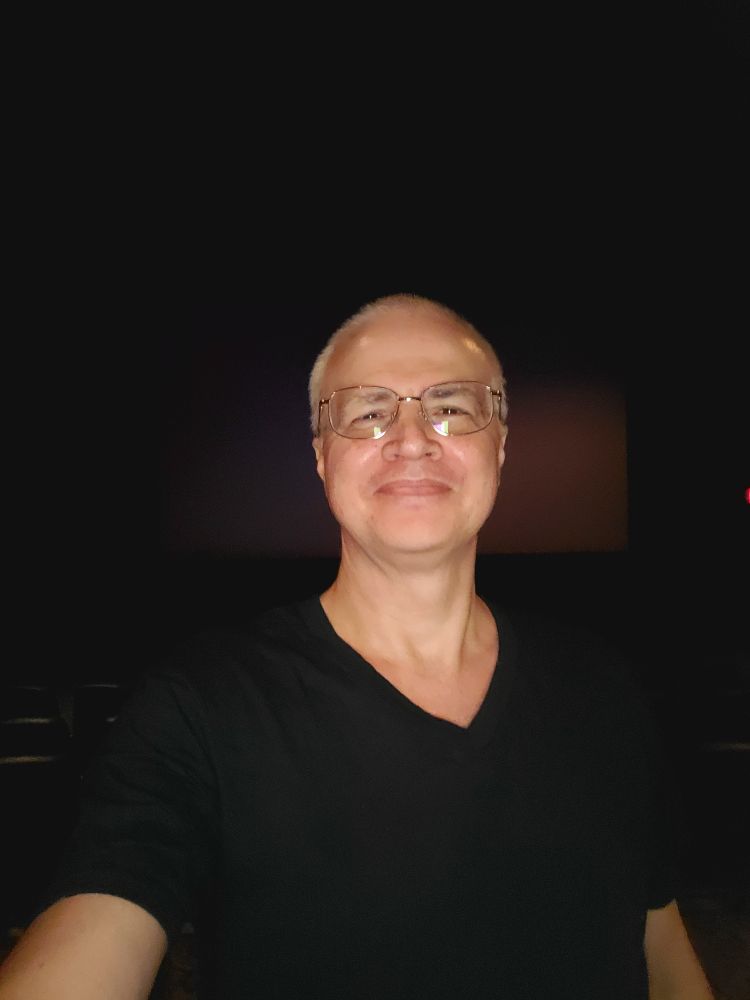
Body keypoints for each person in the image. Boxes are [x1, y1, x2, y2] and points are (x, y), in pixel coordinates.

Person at [0, 294, 714, 999]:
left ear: (499, 444)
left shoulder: (603, 688)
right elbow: (101, 912)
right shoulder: (199, 706)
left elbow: (658, 943)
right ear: (321, 456)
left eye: (451, 406)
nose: (412, 438)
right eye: (369, 413)